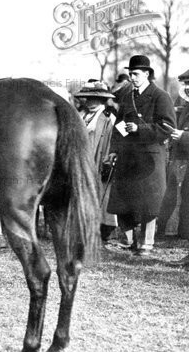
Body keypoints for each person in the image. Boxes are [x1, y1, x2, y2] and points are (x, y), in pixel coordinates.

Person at [106, 55, 176, 255]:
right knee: (123, 199)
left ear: (147, 74)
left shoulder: (161, 96)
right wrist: (113, 150)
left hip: (150, 158)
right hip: (128, 157)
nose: (132, 78)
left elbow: (168, 128)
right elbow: (118, 128)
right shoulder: (127, 97)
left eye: (136, 74)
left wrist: (139, 128)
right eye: (130, 74)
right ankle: (129, 241)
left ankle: (146, 243)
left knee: (149, 203)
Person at [74, 82, 117, 243]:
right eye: (89, 98)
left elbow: (113, 140)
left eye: (95, 99)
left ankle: (106, 230)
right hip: (83, 159)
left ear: (102, 100)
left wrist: (108, 160)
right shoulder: (81, 115)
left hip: (100, 159)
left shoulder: (108, 117)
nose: (91, 102)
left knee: (101, 194)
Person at [158, 69, 189, 243]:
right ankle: (171, 230)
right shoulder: (183, 100)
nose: (187, 87)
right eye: (186, 83)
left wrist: (184, 136)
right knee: (174, 193)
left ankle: (183, 233)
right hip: (179, 155)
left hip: (185, 152)